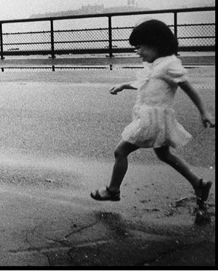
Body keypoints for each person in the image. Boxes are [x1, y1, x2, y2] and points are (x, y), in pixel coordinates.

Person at [90, 19, 215, 202]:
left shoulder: (169, 65)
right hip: (157, 119)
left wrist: (204, 112)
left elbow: (188, 88)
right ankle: (198, 183)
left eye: (140, 47)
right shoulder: (157, 64)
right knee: (164, 155)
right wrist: (124, 85)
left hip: (152, 121)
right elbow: (147, 83)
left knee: (120, 151)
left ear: (157, 44)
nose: (138, 52)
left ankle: (113, 190)